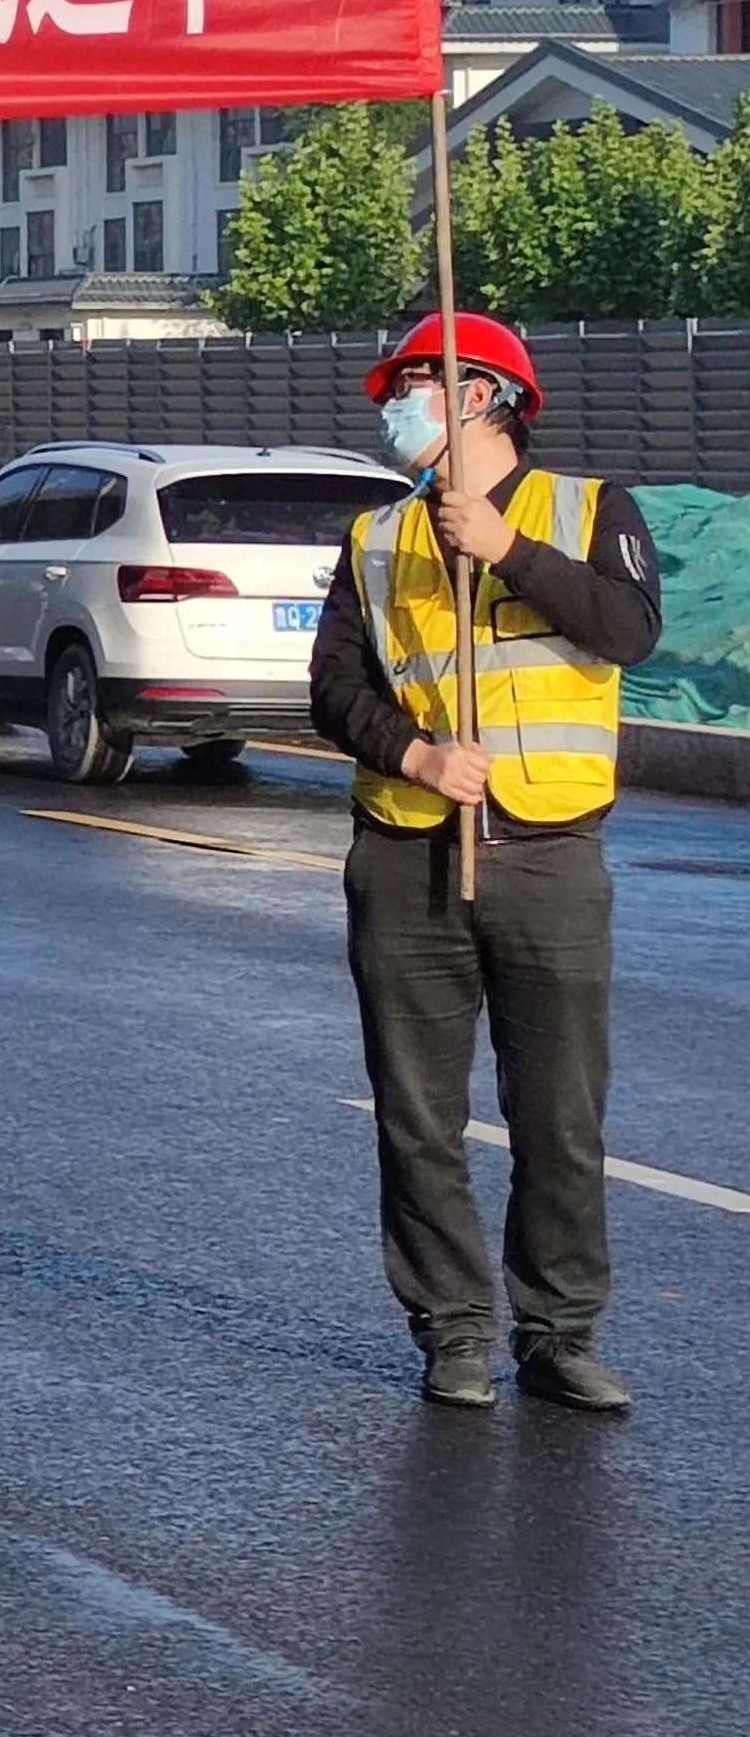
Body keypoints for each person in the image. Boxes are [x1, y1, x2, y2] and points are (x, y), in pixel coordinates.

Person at [321, 308, 655, 1415]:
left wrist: (503, 549)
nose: (388, 407)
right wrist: (412, 750)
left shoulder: (590, 510)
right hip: (405, 851)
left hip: (547, 858)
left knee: (557, 1113)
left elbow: (626, 629)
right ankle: (450, 1332)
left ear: (475, 397)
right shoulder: (374, 539)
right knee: (415, 1116)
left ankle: (556, 1335)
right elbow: (333, 689)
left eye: (408, 384)